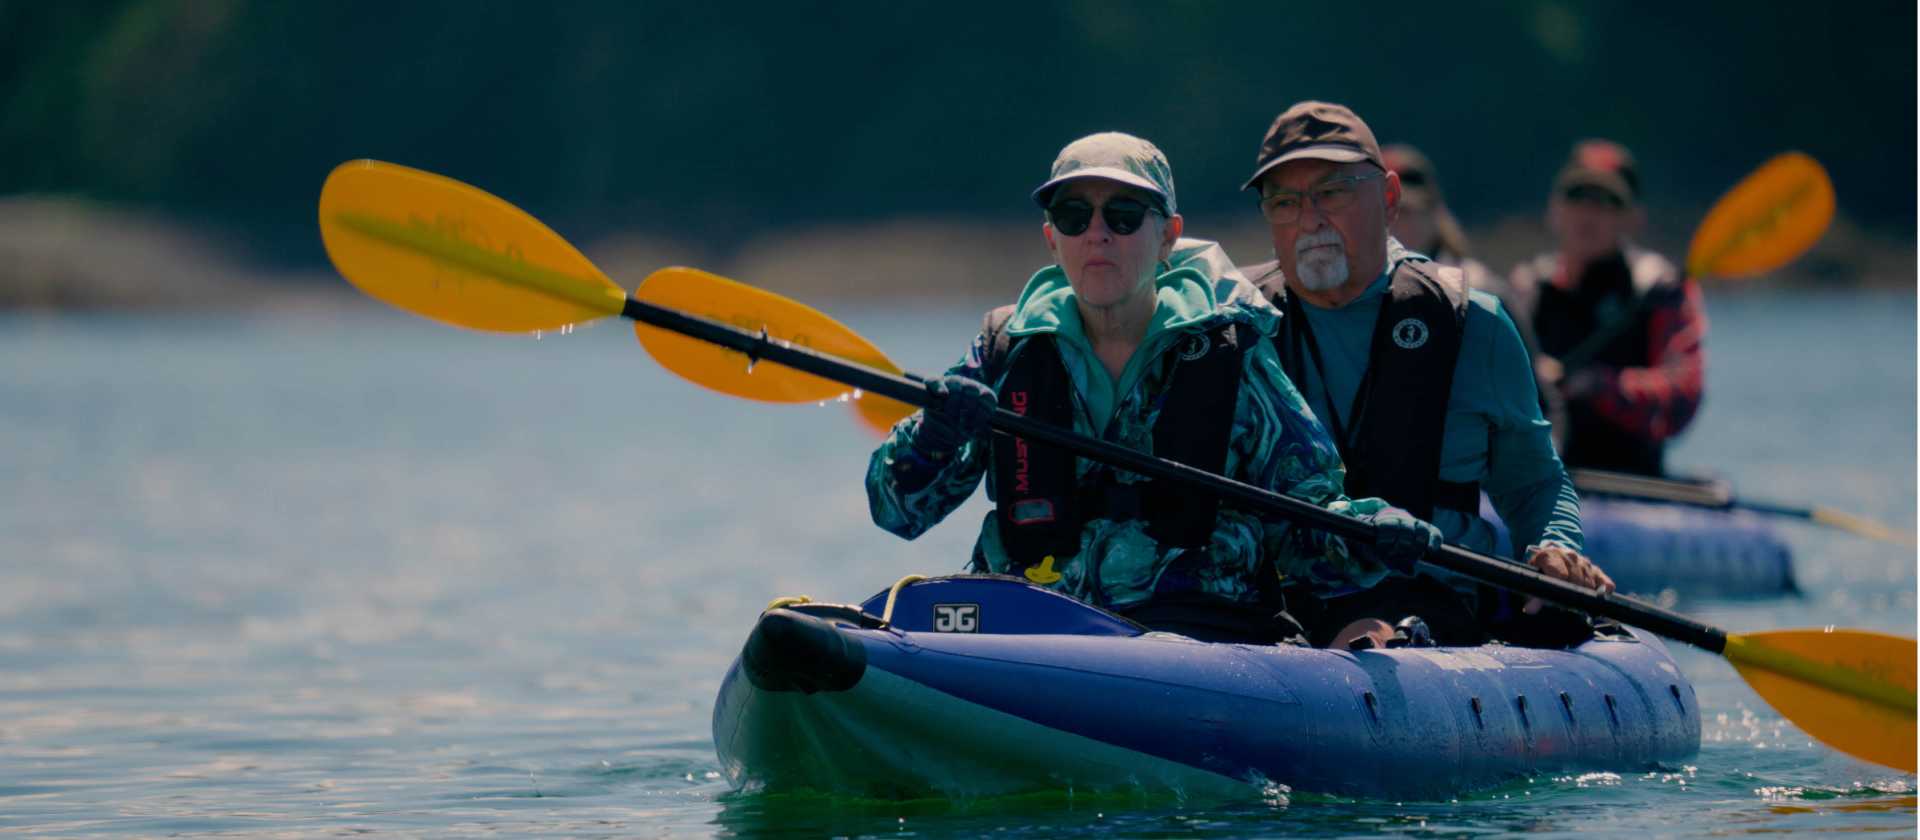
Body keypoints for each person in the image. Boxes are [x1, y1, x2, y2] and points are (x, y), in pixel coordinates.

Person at [864, 131, 1443, 645]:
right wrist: (933, 435)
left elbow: (1311, 523)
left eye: (1122, 214)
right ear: (1051, 239)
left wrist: (1370, 533)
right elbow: (897, 511)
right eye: (1073, 216)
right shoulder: (1003, 349)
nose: (1097, 235)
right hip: (1027, 623)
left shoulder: (1229, 354)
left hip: (1192, 631)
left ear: (1167, 236)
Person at [1236, 101, 1612, 648]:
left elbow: (1533, 480)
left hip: (1433, 590)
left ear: (1389, 199)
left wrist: (1554, 544)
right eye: (1285, 202)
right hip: (1284, 594)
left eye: (1333, 192)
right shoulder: (1235, 323)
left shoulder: (1471, 322)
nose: (1310, 219)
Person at [1508, 140, 1706, 477]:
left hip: (1632, 484)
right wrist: (1533, 382)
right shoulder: (1526, 290)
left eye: (1607, 202)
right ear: (1554, 209)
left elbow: (1682, 399)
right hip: (1542, 483)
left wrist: (1599, 386)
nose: (1588, 213)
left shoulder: (1659, 290)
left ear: (1633, 218)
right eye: (1577, 197)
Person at [1381, 143, 1509, 303]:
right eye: (1382, 213)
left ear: (1433, 212)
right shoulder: (1364, 293)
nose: (1394, 223)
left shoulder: (1474, 289)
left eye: (1405, 212)